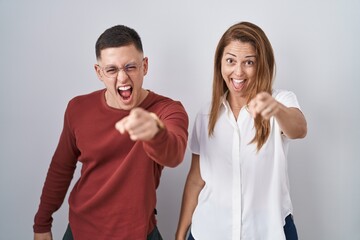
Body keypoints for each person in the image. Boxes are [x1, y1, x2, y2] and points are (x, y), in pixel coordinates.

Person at [33, 25, 189, 240]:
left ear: (145, 66)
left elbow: (175, 153)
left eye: (130, 67)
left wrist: (155, 133)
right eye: (112, 70)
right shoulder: (77, 108)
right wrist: (41, 223)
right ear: (99, 72)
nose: (123, 78)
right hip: (81, 231)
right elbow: (61, 168)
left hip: (140, 232)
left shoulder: (167, 110)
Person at [176, 21, 307, 240]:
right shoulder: (206, 114)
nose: (238, 71)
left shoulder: (280, 100)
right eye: (230, 61)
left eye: (249, 62)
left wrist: (276, 109)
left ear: (262, 64)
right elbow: (196, 180)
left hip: (268, 232)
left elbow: (299, 129)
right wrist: (180, 234)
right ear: (220, 63)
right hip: (208, 232)